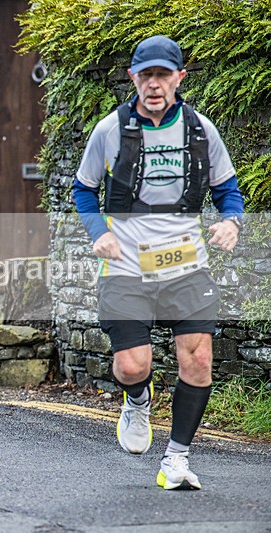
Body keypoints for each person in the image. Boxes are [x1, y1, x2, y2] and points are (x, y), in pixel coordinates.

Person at [72, 36, 245, 490]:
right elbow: (83, 190)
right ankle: (137, 399)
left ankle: (177, 460)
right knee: (132, 366)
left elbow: (228, 189)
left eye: (163, 75)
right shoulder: (110, 130)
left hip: (186, 264)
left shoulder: (201, 130)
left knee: (199, 357)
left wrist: (232, 222)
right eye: (145, 75)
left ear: (178, 79)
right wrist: (100, 233)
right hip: (127, 266)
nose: (154, 84)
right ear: (133, 78)